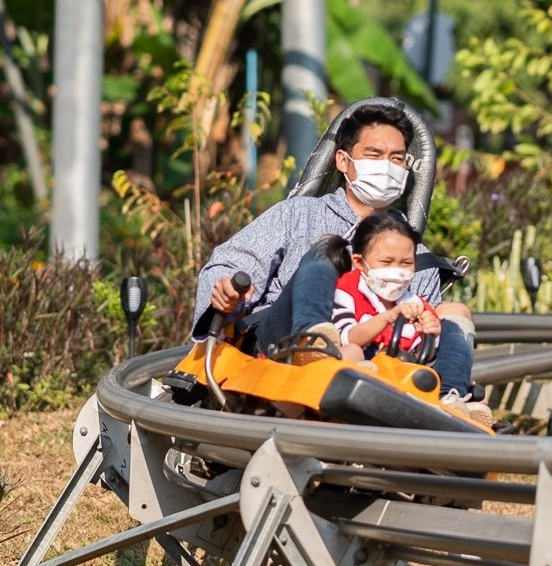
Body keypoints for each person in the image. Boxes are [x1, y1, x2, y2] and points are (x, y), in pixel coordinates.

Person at [193, 102, 483, 417]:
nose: (386, 166)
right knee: (327, 249)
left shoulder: (417, 257)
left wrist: (427, 328)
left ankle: (450, 401)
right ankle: (314, 339)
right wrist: (227, 292)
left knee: (452, 312)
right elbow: (230, 266)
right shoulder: (298, 215)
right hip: (279, 347)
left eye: (396, 158)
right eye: (374, 155)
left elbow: (420, 337)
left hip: (370, 362)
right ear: (343, 162)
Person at [327, 210, 445, 360]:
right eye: (386, 262)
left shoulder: (417, 305)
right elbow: (347, 339)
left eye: (406, 263)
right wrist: (389, 317)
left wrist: (427, 334)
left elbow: (425, 358)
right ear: (359, 262)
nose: (396, 270)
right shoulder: (346, 291)